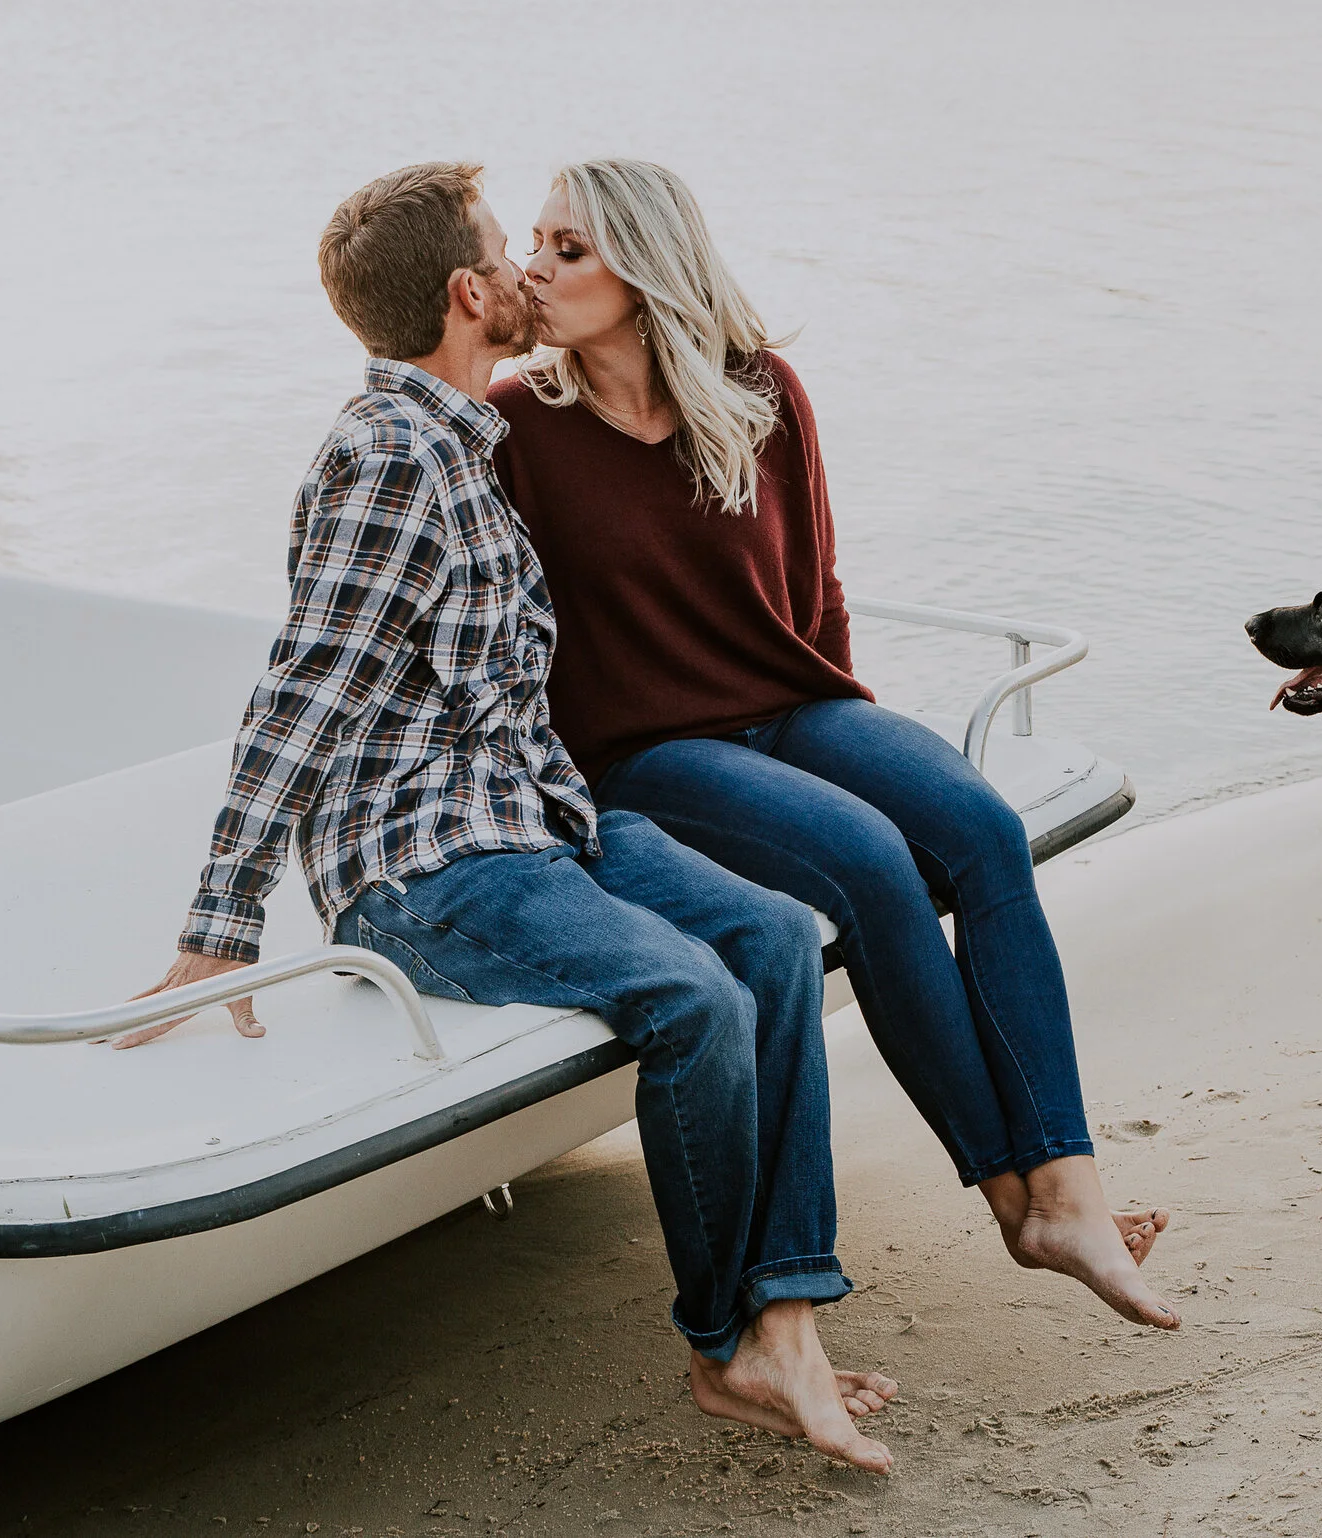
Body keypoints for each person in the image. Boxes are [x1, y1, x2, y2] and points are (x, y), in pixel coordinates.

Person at [116, 163, 896, 1471]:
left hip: (535, 821)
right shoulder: (389, 457)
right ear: (468, 294)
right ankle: (727, 1346)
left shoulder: (473, 441)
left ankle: (788, 1321)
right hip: (425, 862)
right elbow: (302, 692)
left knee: (771, 940)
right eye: (506, 252)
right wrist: (220, 923)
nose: (531, 269)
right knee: (694, 999)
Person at [490, 160, 1178, 1331]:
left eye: (568, 248)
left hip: (797, 703)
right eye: (533, 242)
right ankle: (1014, 1201)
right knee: (866, 858)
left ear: (645, 268)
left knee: (980, 829)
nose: (533, 269)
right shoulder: (518, 424)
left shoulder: (757, 388)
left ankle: (1068, 1188)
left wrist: (853, 731)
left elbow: (817, 592)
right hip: (645, 750)